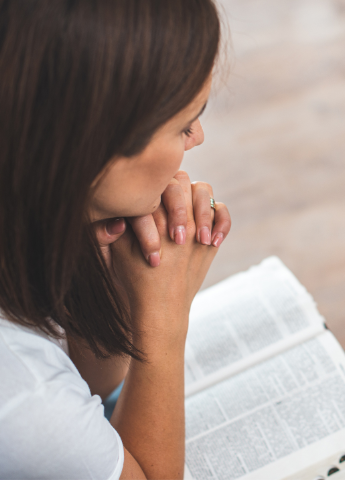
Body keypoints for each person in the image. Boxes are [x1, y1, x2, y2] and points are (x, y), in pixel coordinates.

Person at [0, 0, 232, 478]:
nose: (198, 137)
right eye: (183, 122)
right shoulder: (19, 392)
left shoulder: (25, 220)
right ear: (93, 147)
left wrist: (106, 274)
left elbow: (83, 387)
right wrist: (164, 317)